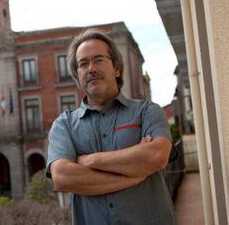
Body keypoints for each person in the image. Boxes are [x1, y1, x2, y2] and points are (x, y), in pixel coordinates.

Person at [46, 29, 177, 224]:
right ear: (78, 76)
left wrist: (88, 161)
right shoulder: (64, 125)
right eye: (83, 63)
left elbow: (156, 155)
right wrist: (133, 175)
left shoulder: (147, 111)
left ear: (116, 68)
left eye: (98, 60)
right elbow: (63, 176)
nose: (91, 68)